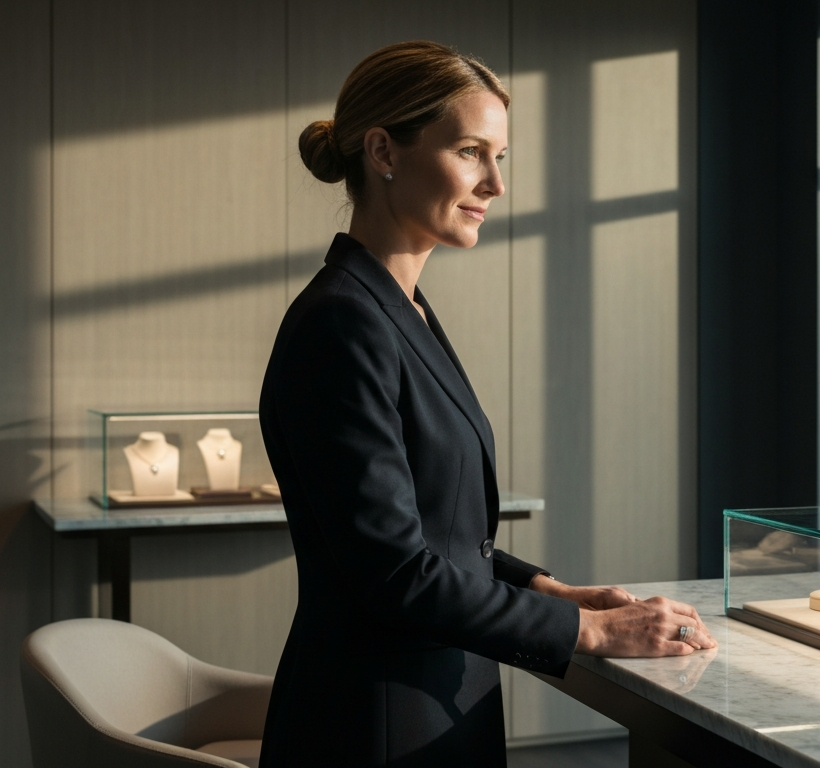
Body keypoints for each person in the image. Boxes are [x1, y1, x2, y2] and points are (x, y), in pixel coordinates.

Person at [258, 40, 715, 767]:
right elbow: (394, 574)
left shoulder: (400, 311)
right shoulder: (341, 323)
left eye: (500, 158)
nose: (495, 185)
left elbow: (438, 535)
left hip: (435, 703)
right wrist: (588, 634)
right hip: (378, 726)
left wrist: (554, 591)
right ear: (383, 150)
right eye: (472, 152)